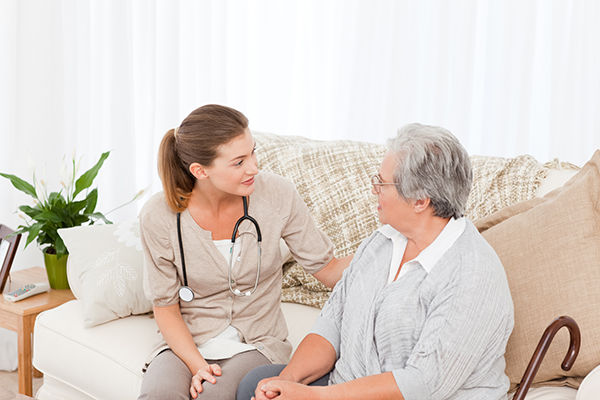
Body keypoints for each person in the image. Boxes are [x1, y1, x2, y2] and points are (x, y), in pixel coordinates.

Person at [238, 123, 515, 400]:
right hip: (349, 387)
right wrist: (285, 383)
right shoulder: (381, 242)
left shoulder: (471, 274)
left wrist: (315, 397)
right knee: (258, 383)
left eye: (382, 183)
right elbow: (331, 324)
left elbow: (422, 384)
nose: (374, 190)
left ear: (420, 201)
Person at [137, 104, 351, 400]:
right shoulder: (159, 216)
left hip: (257, 343)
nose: (254, 167)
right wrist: (197, 365)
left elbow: (328, 268)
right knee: (159, 395)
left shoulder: (277, 194)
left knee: (214, 396)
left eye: (253, 152)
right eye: (239, 162)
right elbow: (166, 308)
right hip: (187, 342)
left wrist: (389, 250)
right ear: (200, 171)